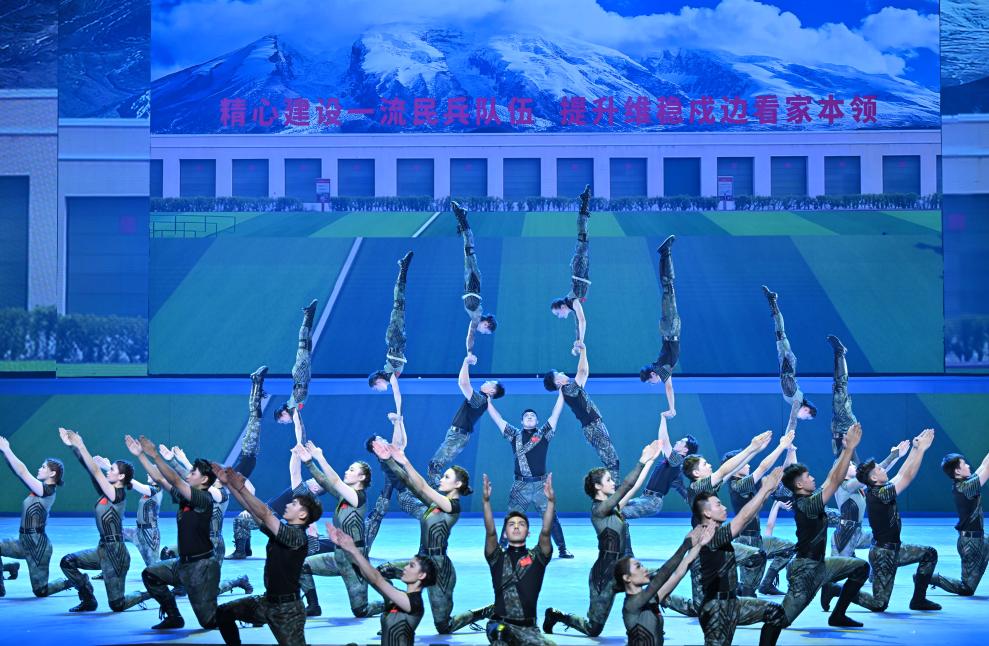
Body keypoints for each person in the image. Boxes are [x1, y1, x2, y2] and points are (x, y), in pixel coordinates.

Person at [372, 433, 491, 633]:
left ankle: (486, 611)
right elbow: (411, 484)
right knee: (382, 571)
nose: (441, 479)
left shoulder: (452, 506)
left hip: (439, 568)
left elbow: (422, 486)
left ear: (458, 484)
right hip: (421, 560)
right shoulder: (436, 504)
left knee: (444, 626)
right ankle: (396, 613)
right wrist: (388, 461)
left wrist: (404, 461)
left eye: (447, 477)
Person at [542, 440, 662, 637]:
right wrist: (641, 461)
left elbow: (634, 486)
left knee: (660, 577)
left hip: (624, 570)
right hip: (604, 576)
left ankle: (653, 624)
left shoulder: (614, 507)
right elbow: (626, 485)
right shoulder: (599, 510)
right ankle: (557, 615)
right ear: (598, 486)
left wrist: (650, 460)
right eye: (608, 480)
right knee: (593, 629)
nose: (613, 482)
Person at [213, 462, 323, 646]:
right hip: (267, 602)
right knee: (224, 612)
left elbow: (265, 513)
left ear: (303, 515)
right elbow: (253, 510)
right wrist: (228, 485)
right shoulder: (281, 531)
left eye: (294, 504)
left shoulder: (297, 537)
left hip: (287, 610)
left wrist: (240, 486)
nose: (288, 504)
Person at [777, 422, 873, 631]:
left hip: (821, 564)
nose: (812, 478)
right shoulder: (808, 504)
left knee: (861, 567)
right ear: (799, 485)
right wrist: (850, 448)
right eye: (808, 477)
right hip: (806, 570)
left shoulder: (810, 497)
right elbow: (835, 480)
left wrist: (846, 449)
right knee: (780, 620)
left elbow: (831, 477)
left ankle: (838, 615)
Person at [128, 434, 221, 629]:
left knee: (209, 622)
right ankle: (174, 616)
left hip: (202, 567)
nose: (189, 474)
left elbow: (176, 480)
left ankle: (232, 585)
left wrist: (155, 455)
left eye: (193, 472)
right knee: (151, 574)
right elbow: (160, 478)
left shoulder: (204, 498)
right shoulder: (185, 496)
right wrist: (140, 455)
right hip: (182, 564)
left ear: (204, 479)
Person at [688, 467, 788, 646]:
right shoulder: (710, 536)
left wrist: (767, 492)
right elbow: (743, 518)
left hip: (732, 603)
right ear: (707, 513)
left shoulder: (715, 532)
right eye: (719, 505)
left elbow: (748, 517)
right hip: (717, 609)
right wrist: (765, 489)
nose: (725, 507)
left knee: (775, 612)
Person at [57, 428, 150, 613]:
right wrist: (73, 447)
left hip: (116, 554)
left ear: (121, 477)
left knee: (117, 605)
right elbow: (91, 471)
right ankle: (88, 599)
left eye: (112, 469)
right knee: (67, 562)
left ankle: (149, 593)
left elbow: (96, 471)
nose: (108, 470)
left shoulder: (118, 494)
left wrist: (81, 445)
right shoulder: (106, 492)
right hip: (102, 550)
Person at [294, 440, 383, 619]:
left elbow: (334, 480)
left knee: (361, 611)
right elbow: (325, 482)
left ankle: (392, 601)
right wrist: (309, 462)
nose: (346, 471)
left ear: (362, 478)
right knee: (301, 566)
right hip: (338, 557)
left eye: (352, 470)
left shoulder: (358, 497)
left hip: (355, 561)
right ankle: (313, 606)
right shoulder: (344, 497)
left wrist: (320, 457)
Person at [855, 428, 941, 611]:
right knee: (879, 604)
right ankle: (837, 590)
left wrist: (915, 449)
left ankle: (918, 600)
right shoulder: (880, 493)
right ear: (874, 477)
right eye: (880, 468)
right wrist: (922, 450)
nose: (883, 469)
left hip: (893, 550)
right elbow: (907, 477)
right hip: (884, 554)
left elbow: (901, 474)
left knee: (929, 554)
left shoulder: (880, 489)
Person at [485, 391, 571, 558]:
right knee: (512, 518)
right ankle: (501, 547)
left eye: (533, 416)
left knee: (551, 518)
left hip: (541, 486)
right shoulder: (514, 435)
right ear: (521, 421)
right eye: (526, 416)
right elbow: (498, 419)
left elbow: (555, 414)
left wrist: (562, 393)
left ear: (537, 421)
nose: (530, 417)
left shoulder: (543, 434)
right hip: (520, 486)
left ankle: (562, 549)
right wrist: (487, 401)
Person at [328, 523, 435, 646]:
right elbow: (366, 575)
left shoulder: (414, 603)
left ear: (421, 575)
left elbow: (377, 579)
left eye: (411, 566)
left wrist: (354, 549)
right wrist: (345, 548)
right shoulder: (398, 597)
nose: (405, 568)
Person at [482, 473, 555, 645]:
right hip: (500, 625)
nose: (516, 527)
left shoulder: (538, 557)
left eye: (521, 524)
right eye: (511, 524)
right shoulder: (496, 557)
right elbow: (491, 532)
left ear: (528, 532)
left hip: (529, 629)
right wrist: (486, 501)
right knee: (500, 636)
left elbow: (546, 531)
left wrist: (551, 502)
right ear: (505, 534)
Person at [722, 430, 797, 597]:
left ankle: (767, 584)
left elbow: (781, 474)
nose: (748, 465)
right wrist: (781, 446)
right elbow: (763, 468)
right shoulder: (737, 485)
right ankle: (742, 590)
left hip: (757, 538)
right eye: (744, 463)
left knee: (788, 548)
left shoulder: (751, 483)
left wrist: (790, 450)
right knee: (749, 592)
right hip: (745, 539)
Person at [0, 435, 73, 599]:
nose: (39, 469)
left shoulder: (47, 490)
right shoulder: (39, 488)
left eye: (43, 467)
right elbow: (17, 472)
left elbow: (22, 471)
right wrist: (4, 453)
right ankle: (4, 579)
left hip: (37, 547)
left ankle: (70, 582)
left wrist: (7, 449)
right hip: (23, 542)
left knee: (41, 591)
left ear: (52, 473)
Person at [616, 524, 714, 646]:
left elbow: (678, 573)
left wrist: (699, 545)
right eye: (638, 567)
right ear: (627, 578)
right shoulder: (631, 605)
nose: (644, 569)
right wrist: (685, 545)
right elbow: (663, 574)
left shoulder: (650, 599)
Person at [543, 335, 620, 482]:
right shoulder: (567, 389)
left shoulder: (571, 389)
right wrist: (583, 350)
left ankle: (610, 491)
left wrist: (583, 351)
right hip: (594, 426)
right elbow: (582, 372)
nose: (562, 372)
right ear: (558, 382)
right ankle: (612, 493)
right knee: (612, 462)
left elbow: (585, 374)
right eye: (558, 374)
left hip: (593, 427)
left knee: (611, 462)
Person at [427, 350, 505, 485]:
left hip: (458, 436)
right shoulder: (482, 400)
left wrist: (466, 362)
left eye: (490, 382)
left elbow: (463, 383)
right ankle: (432, 491)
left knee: (434, 467)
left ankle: (433, 492)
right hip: (457, 435)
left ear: (492, 391)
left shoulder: (480, 400)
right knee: (435, 467)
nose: (486, 381)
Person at [831, 441, 908, 558]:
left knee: (883, 541)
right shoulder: (844, 486)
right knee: (839, 567)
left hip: (858, 533)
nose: (854, 465)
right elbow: (874, 473)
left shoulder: (857, 486)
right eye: (850, 465)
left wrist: (897, 456)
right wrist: (893, 455)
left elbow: (878, 473)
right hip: (844, 537)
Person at [930, 449, 989, 596]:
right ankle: (929, 577)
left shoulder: (965, 483)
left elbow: (984, 465)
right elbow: (987, 469)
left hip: (979, 539)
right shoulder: (967, 487)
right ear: (957, 471)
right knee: (966, 588)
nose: (968, 466)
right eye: (964, 464)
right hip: (971, 543)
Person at [761, 286, 816, 422]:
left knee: (780, 333)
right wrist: (785, 363)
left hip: (787, 363)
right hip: (787, 363)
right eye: (806, 417)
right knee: (780, 332)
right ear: (806, 410)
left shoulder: (796, 400)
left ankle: (772, 301)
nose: (804, 418)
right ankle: (773, 300)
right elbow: (787, 377)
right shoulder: (796, 399)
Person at [638, 234, 679, 418]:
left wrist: (672, 408)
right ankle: (664, 253)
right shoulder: (659, 366)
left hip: (671, 328)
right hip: (668, 329)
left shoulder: (660, 370)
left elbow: (669, 387)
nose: (654, 384)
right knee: (667, 288)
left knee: (669, 287)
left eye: (650, 382)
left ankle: (666, 252)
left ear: (652, 375)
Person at [550, 184, 592, 343]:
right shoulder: (572, 304)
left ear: (562, 307)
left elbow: (583, 321)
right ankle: (584, 205)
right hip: (580, 268)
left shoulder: (572, 301)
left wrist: (581, 341)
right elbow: (577, 323)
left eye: (557, 313)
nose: (559, 317)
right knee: (583, 235)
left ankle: (584, 204)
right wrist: (578, 339)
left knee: (582, 236)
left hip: (579, 267)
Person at [369, 251, 414, 391]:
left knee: (399, 303)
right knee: (399, 304)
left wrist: (398, 406)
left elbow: (396, 391)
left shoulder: (389, 376)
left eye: (376, 388)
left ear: (377, 381)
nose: (378, 390)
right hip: (398, 340)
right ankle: (403, 268)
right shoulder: (389, 377)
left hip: (395, 339)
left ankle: (403, 268)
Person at [453, 201, 497, 338]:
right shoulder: (476, 314)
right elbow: (470, 338)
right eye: (485, 332)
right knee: (469, 246)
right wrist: (470, 349)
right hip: (473, 280)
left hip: (471, 281)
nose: (482, 332)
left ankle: (462, 219)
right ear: (486, 324)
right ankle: (460, 215)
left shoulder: (475, 315)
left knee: (468, 247)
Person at [272, 299, 319, 423]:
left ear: (283, 413)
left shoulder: (293, 408)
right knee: (307, 342)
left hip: (300, 374)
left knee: (303, 342)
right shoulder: (293, 408)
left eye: (282, 420)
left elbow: (298, 425)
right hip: (304, 375)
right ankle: (310, 313)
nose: (285, 422)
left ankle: (308, 314)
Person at [826, 334, 859, 460]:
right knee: (840, 388)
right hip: (846, 427)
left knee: (838, 387)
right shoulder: (853, 468)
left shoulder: (840, 467)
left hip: (838, 429)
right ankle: (840, 353)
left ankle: (839, 353)